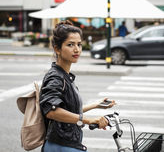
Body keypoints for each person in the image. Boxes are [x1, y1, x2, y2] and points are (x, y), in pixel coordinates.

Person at [40, 20, 116, 152]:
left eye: (79, 44)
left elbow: (69, 110)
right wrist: (88, 120)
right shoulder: (56, 77)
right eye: (70, 45)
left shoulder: (65, 75)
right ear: (57, 49)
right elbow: (51, 111)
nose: (77, 49)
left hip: (67, 143)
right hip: (60, 145)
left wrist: (96, 105)